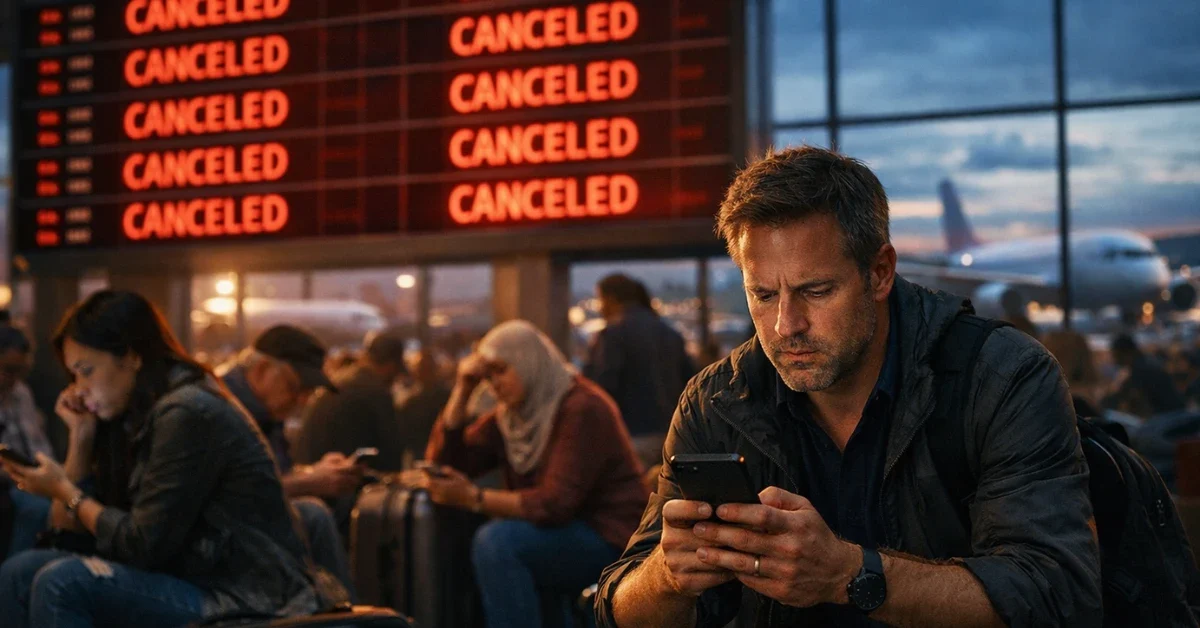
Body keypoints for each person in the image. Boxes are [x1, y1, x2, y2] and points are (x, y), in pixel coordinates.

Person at [597, 146, 1100, 627]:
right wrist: (666, 578)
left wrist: (847, 575)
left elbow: (1054, 596)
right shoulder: (717, 402)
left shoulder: (1001, 377)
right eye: (764, 295)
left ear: (880, 273)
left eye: (816, 291)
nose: (784, 326)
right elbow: (615, 608)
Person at [0, 290, 342, 627]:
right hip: (190, 575)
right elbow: (65, 531)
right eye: (74, 374)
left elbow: (140, 546)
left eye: (87, 371)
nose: (79, 387)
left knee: (63, 582)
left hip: (243, 595)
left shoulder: (186, 409)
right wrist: (81, 437)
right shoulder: (130, 411)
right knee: (19, 572)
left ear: (132, 357)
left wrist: (64, 489)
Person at [410, 320, 647, 628]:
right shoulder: (513, 414)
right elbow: (447, 463)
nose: (493, 383)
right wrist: (463, 388)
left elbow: (554, 504)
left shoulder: (582, 407)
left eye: (500, 370)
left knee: (498, 541)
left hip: (612, 537)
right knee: (500, 538)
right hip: (563, 531)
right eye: (486, 375)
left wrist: (473, 498)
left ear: (528, 363)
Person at [220, 325, 359, 595]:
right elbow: (232, 490)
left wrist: (313, 472)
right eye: (296, 388)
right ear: (261, 370)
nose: (302, 401)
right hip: (222, 534)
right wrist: (309, 482)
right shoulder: (225, 408)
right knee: (314, 515)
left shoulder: (262, 410)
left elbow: (274, 472)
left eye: (308, 393)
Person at [584, 274, 696, 465]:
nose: (600, 308)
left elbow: (602, 387)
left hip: (630, 434)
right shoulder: (670, 334)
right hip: (673, 434)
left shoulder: (612, 334)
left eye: (600, 300)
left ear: (611, 299)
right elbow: (691, 383)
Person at [295, 328, 411, 472]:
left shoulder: (341, 379)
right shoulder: (375, 391)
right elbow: (391, 452)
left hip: (313, 470)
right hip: (336, 479)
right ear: (391, 366)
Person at [0, 325, 57, 556]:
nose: (14, 378)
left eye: (20, 371)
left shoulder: (21, 393)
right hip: (9, 482)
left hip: (31, 475)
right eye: (8, 370)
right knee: (38, 509)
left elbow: (37, 443)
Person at [394, 349, 453, 465]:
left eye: (426, 368)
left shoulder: (448, 397)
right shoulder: (409, 401)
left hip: (441, 454)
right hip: (421, 454)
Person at [1106, 333, 1186, 417]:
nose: (1115, 360)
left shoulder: (1140, 370)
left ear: (1126, 353)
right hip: (1172, 414)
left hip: (1166, 417)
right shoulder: (1144, 364)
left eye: (1116, 355)